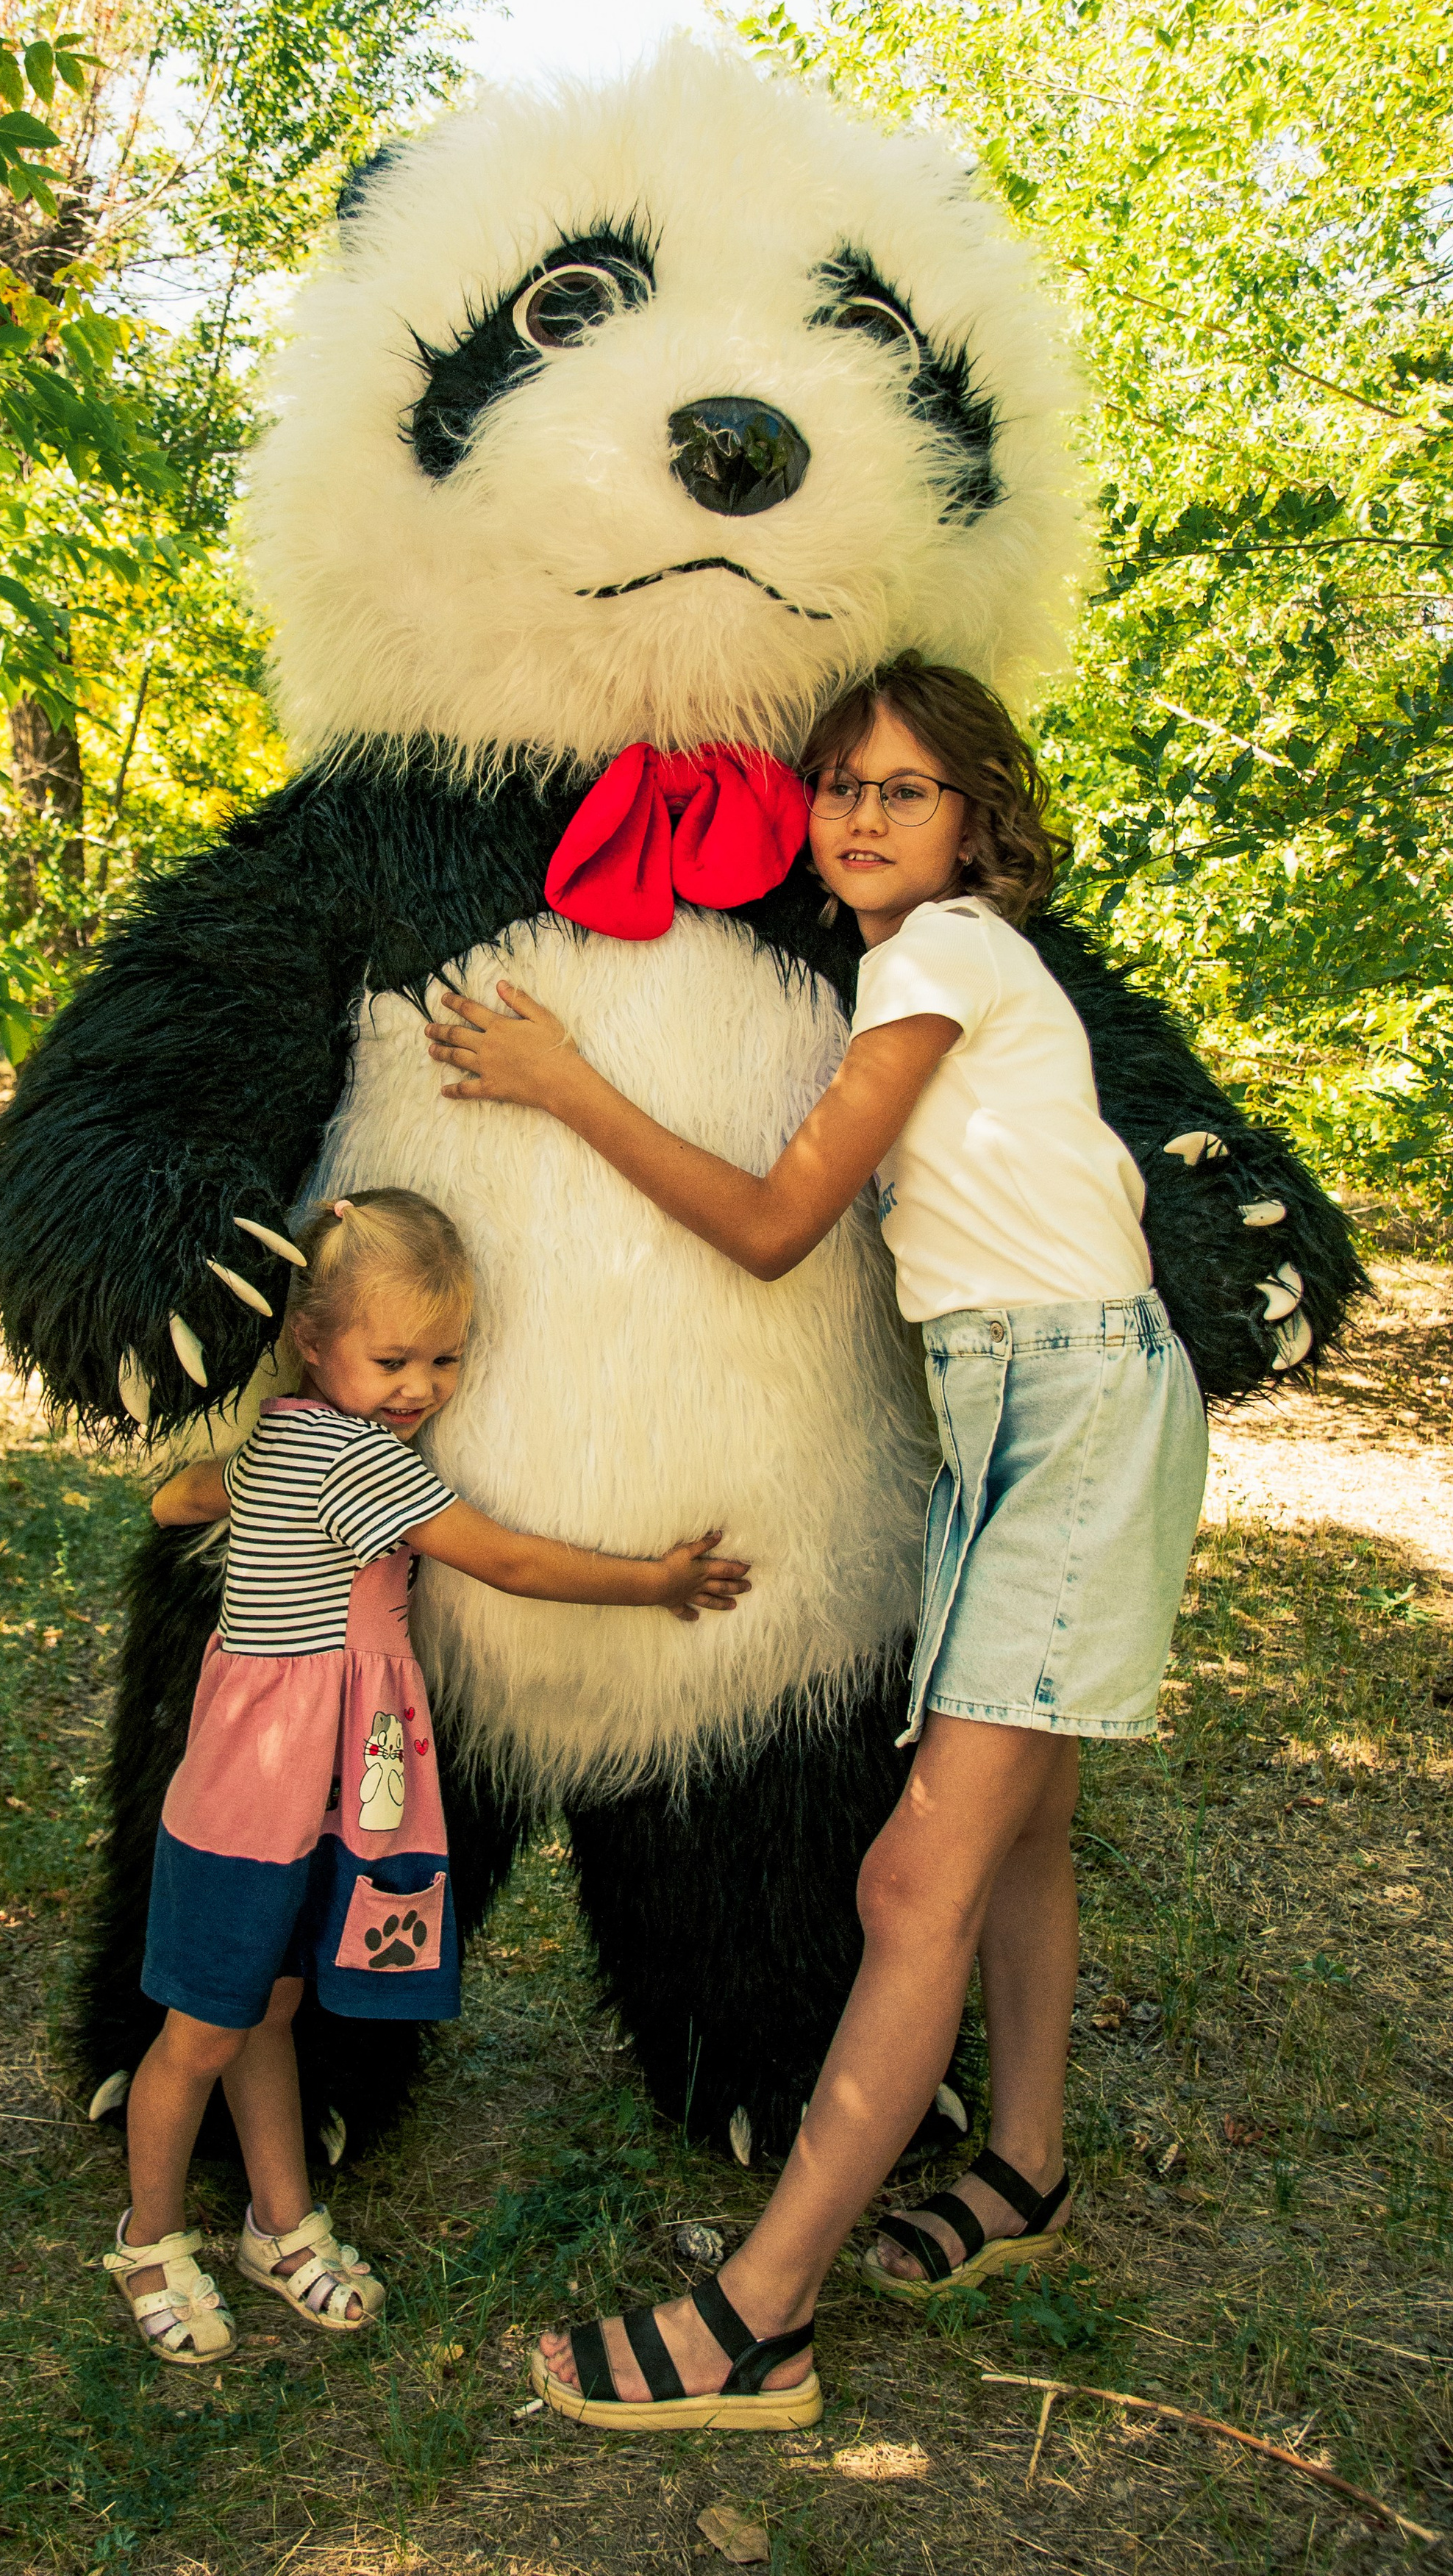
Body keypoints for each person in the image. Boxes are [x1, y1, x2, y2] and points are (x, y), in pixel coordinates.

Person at [426, 657, 1207, 2433]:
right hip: (1025, 1398)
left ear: (972, 816)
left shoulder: (936, 957)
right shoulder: (921, 968)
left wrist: (563, 1081)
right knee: (1023, 1831)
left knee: (908, 1877)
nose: (858, 813)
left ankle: (754, 2317)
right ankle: (1020, 2168)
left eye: (903, 787)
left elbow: (781, 1221)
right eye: (838, 780)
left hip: (1065, 1409)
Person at [105, 1185, 752, 2368]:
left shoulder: (293, 1436)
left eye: (445, 1359)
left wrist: (209, 1493)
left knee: (274, 2006)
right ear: (314, 1340)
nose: (421, 1387)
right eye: (392, 1356)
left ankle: (280, 2220)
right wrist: (653, 1583)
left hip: (309, 1790)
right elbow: (503, 1558)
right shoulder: (359, 1463)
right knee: (197, 2031)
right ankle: (149, 2238)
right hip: (258, 1801)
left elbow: (181, 1496)